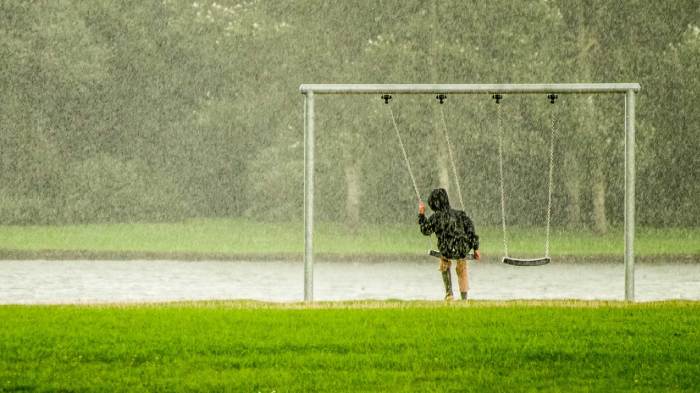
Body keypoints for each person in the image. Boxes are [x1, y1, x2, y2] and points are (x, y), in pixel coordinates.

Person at [418, 188, 480, 301]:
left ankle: (449, 293)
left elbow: (425, 230)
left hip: (446, 249)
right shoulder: (460, 214)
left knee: (444, 262)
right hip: (462, 248)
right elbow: (471, 230)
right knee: (462, 267)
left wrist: (421, 215)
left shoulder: (436, 217)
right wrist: (476, 248)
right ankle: (464, 297)